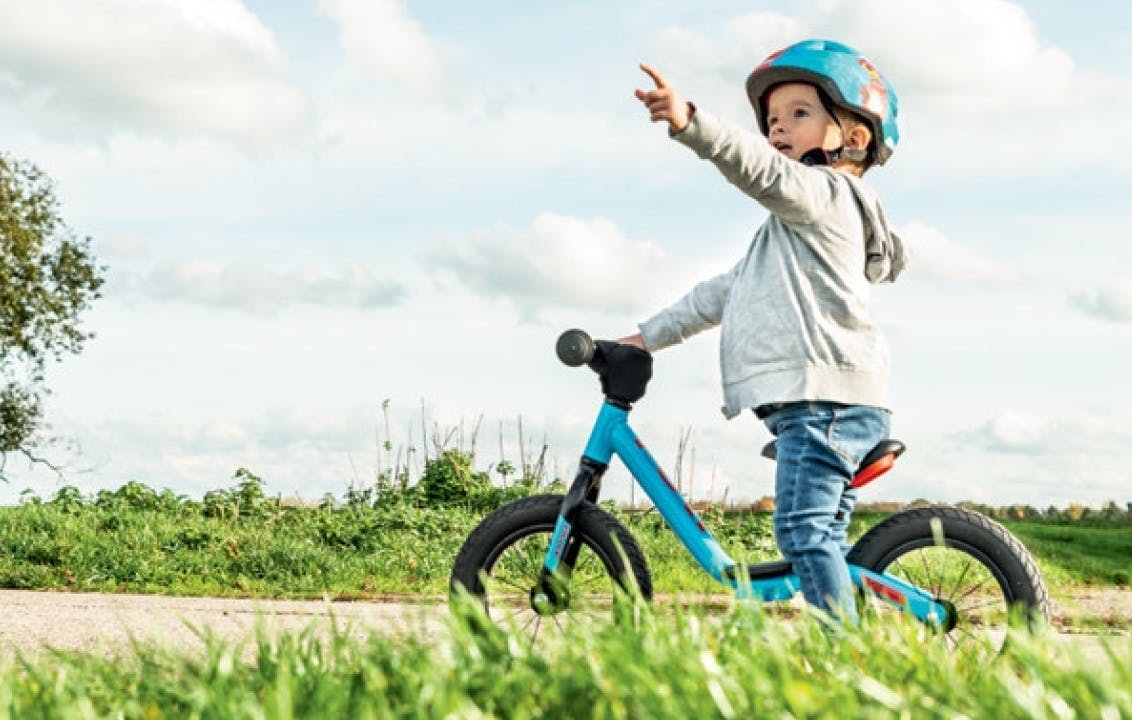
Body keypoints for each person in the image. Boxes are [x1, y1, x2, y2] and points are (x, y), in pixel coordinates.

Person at [617, 39, 907, 624]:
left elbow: (761, 171)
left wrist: (690, 122)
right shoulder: (793, 237)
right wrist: (644, 338)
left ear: (853, 136)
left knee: (802, 530)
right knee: (819, 536)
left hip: (824, 403)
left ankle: (846, 654)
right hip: (829, 401)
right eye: (772, 118)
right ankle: (849, 627)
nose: (778, 128)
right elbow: (721, 294)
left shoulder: (827, 195)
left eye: (799, 113)